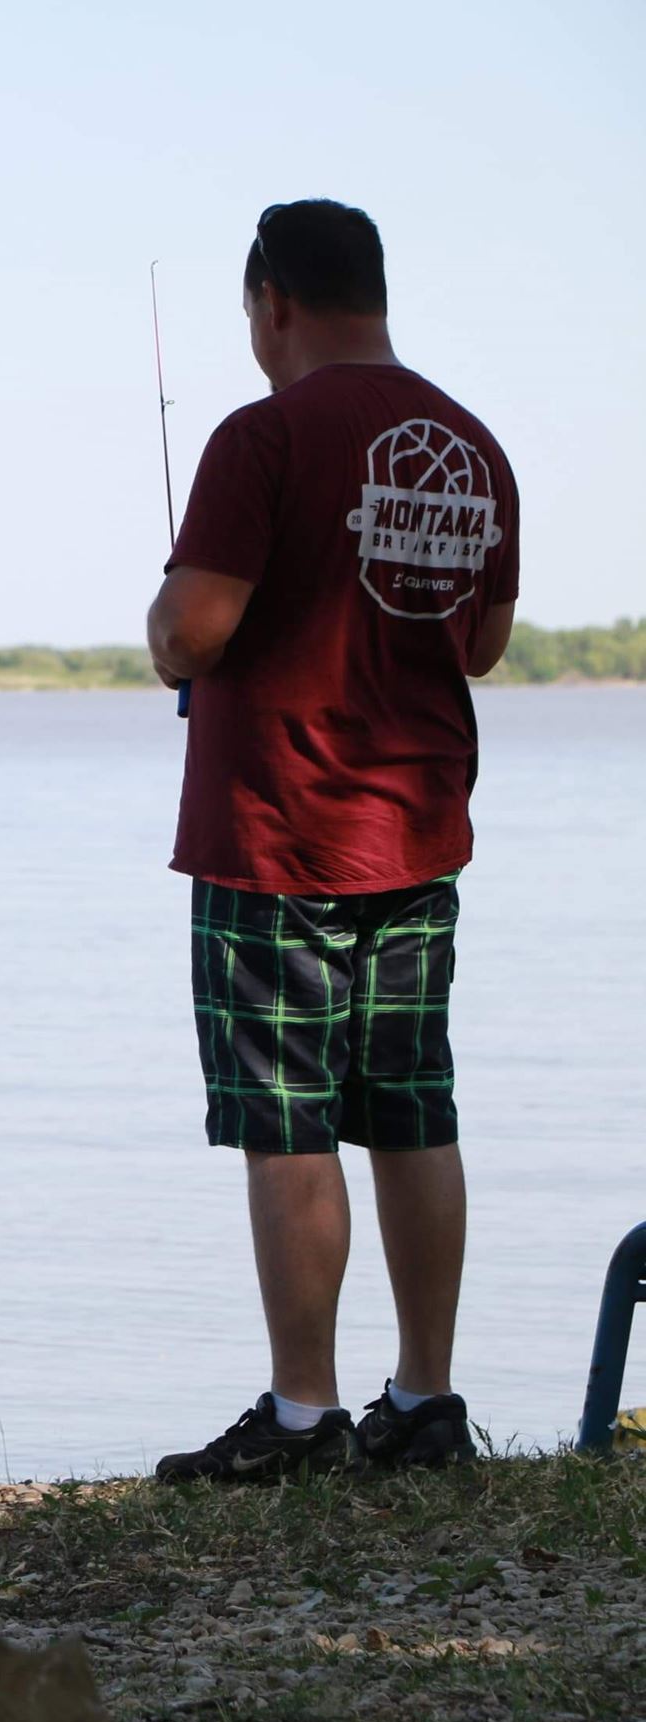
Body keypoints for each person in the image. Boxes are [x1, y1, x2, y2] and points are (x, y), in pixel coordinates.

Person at [147, 199, 519, 1482]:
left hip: (277, 834)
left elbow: (192, 628)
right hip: (416, 830)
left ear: (271, 302)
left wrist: (163, 621)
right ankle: (423, 1399)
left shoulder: (261, 438)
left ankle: (303, 1416)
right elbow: (476, 642)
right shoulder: (467, 445)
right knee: (414, 1109)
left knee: (288, 1122)